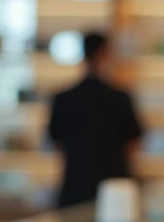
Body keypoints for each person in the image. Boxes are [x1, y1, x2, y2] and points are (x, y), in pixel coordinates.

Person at [47, 31, 144, 209]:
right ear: (104, 53)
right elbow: (134, 142)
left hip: (74, 186)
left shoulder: (63, 99)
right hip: (115, 189)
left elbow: (55, 141)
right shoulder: (119, 97)